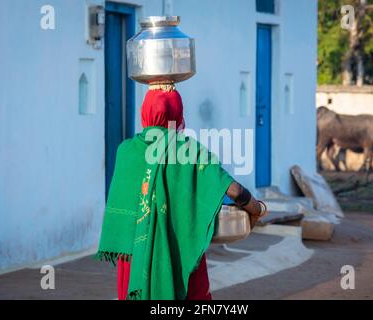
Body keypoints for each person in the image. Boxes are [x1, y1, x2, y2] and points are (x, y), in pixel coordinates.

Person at [96, 84, 266, 300]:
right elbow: (231, 189)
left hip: (134, 259)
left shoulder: (125, 151)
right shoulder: (188, 151)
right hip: (179, 252)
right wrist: (256, 209)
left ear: (144, 113)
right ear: (178, 114)